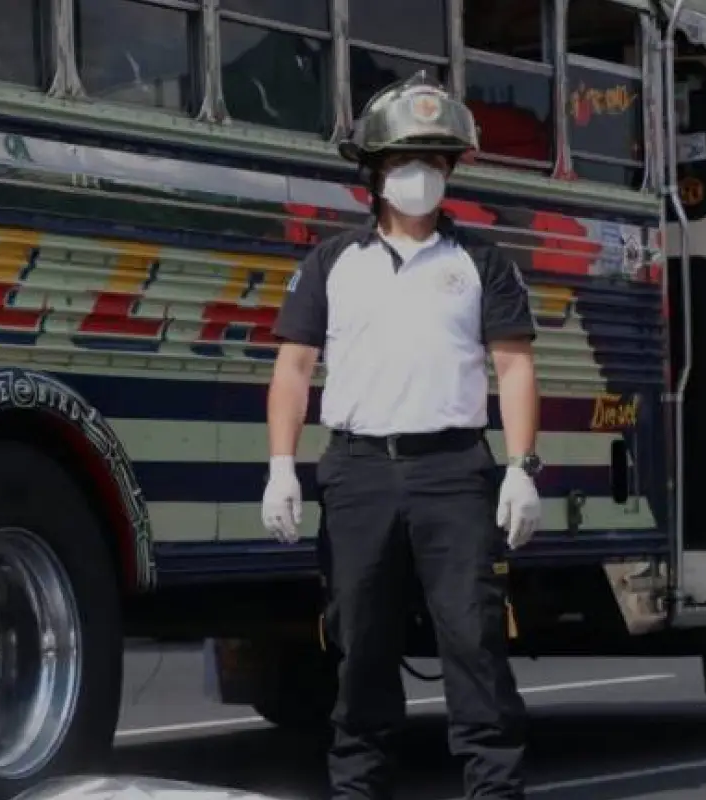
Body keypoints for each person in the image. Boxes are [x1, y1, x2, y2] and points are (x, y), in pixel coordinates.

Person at [260, 72, 544, 800]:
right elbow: (293, 368)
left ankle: (495, 788)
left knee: (473, 637)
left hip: (453, 471)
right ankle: (358, 788)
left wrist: (521, 468)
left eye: (436, 162)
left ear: (451, 172)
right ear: (374, 176)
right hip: (357, 474)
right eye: (403, 162)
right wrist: (282, 466)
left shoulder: (480, 263)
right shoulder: (333, 264)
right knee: (358, 639)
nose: (421, 176)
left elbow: (513, 366)